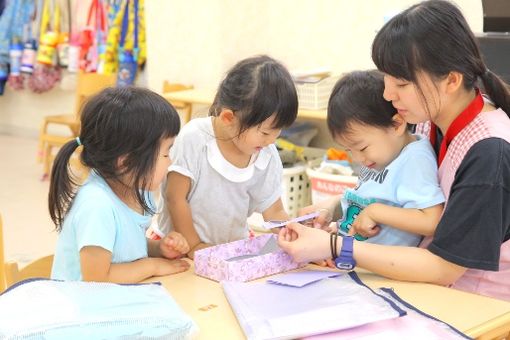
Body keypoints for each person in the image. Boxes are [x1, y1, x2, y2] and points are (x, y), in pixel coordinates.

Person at [279, 0, 510, 301]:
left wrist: (335, 246)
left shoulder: (490, 154)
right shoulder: (428, 120)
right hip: (422, 286)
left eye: (401, 83)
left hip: (479, 305)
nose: (388, 94)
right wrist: (337, 203)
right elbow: (395, 189)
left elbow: (444, 268)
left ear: (451, 80)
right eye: (386, 78)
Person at [156, 55, 298, 258]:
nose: (271, 141)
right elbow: (175, 197)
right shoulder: (195, 138)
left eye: (278, 132)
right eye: (265, 132)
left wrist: (291, 232)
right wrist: (194, 246)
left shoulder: (265, 152)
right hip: (177, 247)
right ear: (228, 118)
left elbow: (274, 211)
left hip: (228, 250)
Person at [50, 87, 191, 283]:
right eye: (165, 153)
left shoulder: (138, 189)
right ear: (125, 162)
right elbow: (97, 278)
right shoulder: (96, 206)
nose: (170, 162)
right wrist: (153, 265)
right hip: (81, 307)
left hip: (116, 298)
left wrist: (158, 249)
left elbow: (124, 246)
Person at [317, 70, 444, 247]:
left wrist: (375, 212)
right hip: (349, 249)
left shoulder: (415, 159)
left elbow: (432, 220)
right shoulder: (382, 157)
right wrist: (335, 220)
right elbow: (367, 198)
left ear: (397, 125)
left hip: (378, 267)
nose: (357, 158)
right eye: (349, 150)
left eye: (362, 148)